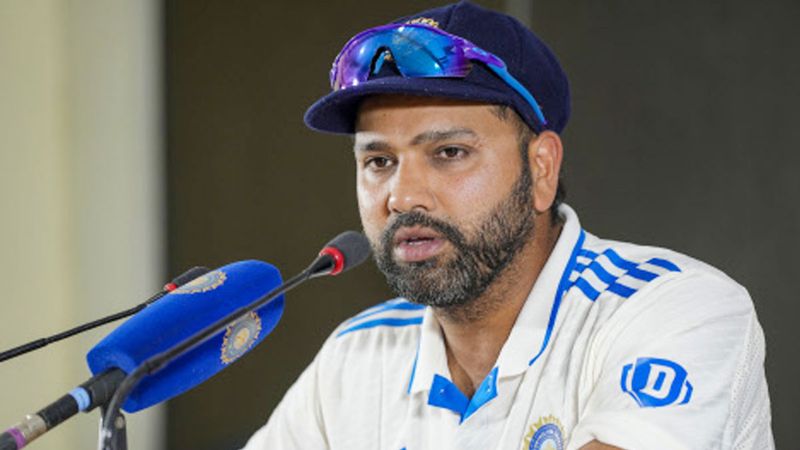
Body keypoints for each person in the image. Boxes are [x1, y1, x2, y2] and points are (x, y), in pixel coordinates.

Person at [242, 2, 773, 449]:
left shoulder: (676, 307)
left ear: (541, 168)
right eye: (379, 162)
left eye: (449, 152)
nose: (402, 197)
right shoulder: (357, 354)